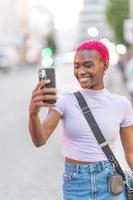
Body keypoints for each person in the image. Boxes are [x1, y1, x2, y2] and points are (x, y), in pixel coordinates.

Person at [29, 40, 133, 200]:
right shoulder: (64, 101)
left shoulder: (121, 104)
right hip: (77, 184)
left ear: (105, 66)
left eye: (88, 65)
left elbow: (130, 154)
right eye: (76, 66)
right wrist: (33, 114)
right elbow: (39, 140)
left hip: (111, 183)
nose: (81, 71)